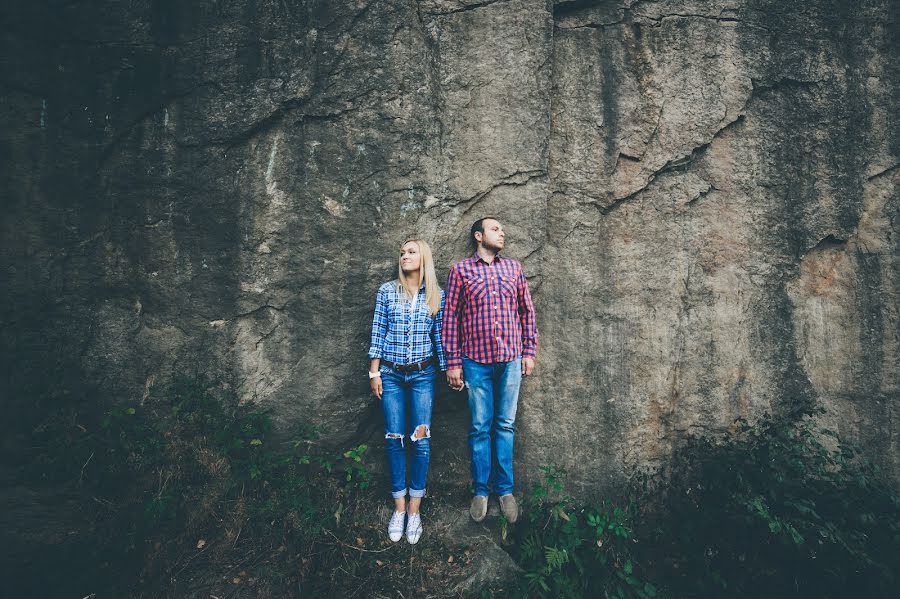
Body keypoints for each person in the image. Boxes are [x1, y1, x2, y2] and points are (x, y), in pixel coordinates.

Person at [442, 218, 538, 523]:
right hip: (475, 361)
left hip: (510, 359)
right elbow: (450, 318)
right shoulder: (461, 271)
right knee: (480, 427)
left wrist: (529, 352)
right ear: (478, 236)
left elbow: (526, 311)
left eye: (502, 230)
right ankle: (481, 490)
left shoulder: (514, 269)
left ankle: (505, 490)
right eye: (495, 229)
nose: (502, 233)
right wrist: (453, 362)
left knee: (505, 425)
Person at [367, 238, 446, 544]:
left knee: (421, 441)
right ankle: (399, 507)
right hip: (390, 374)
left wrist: (451, 370)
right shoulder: (387, 291)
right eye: (401, 252)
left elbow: (440, 337)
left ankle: (415, 509)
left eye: (411, 252)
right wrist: (375, 371)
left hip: (423, 375)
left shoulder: (436, 294)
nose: (404, 256)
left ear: (424, 257)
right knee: (394, 438)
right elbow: (378, 330)